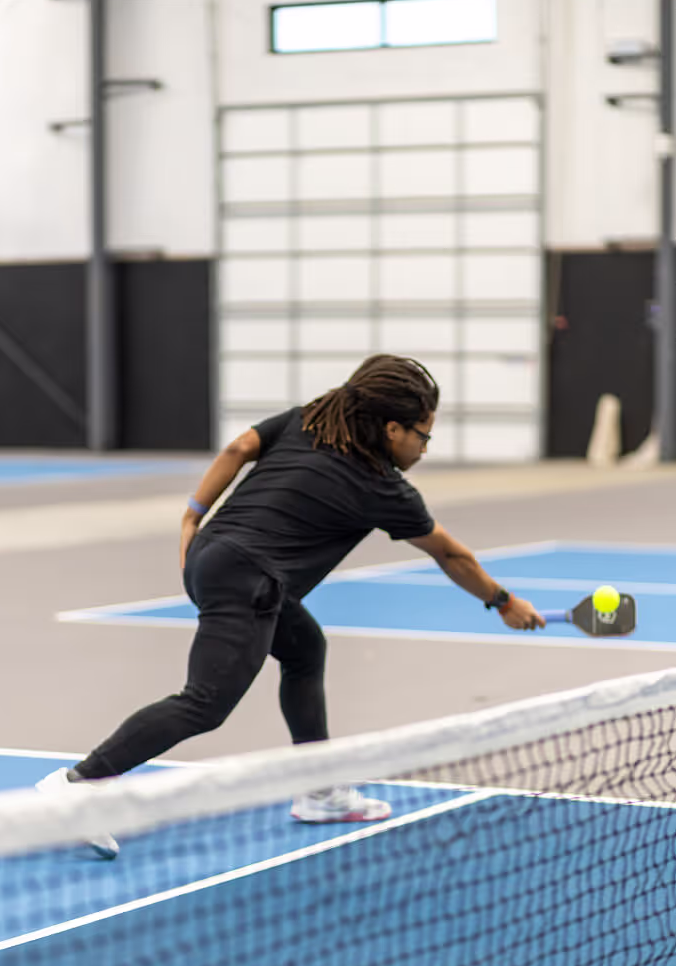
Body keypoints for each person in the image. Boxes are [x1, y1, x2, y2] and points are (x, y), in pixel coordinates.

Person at [37, 353, 544, 858]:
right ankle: (78, 786)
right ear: (392, 429)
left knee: (304, 648)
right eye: (423, 435)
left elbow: (239, 448)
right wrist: (503, 602)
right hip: (248, 580)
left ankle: (320, 788)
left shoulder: (311, 419)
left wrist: (192, 515)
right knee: (205, 703)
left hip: (211, 557)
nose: (425, 448)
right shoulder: (382, 487)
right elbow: (452, 554)